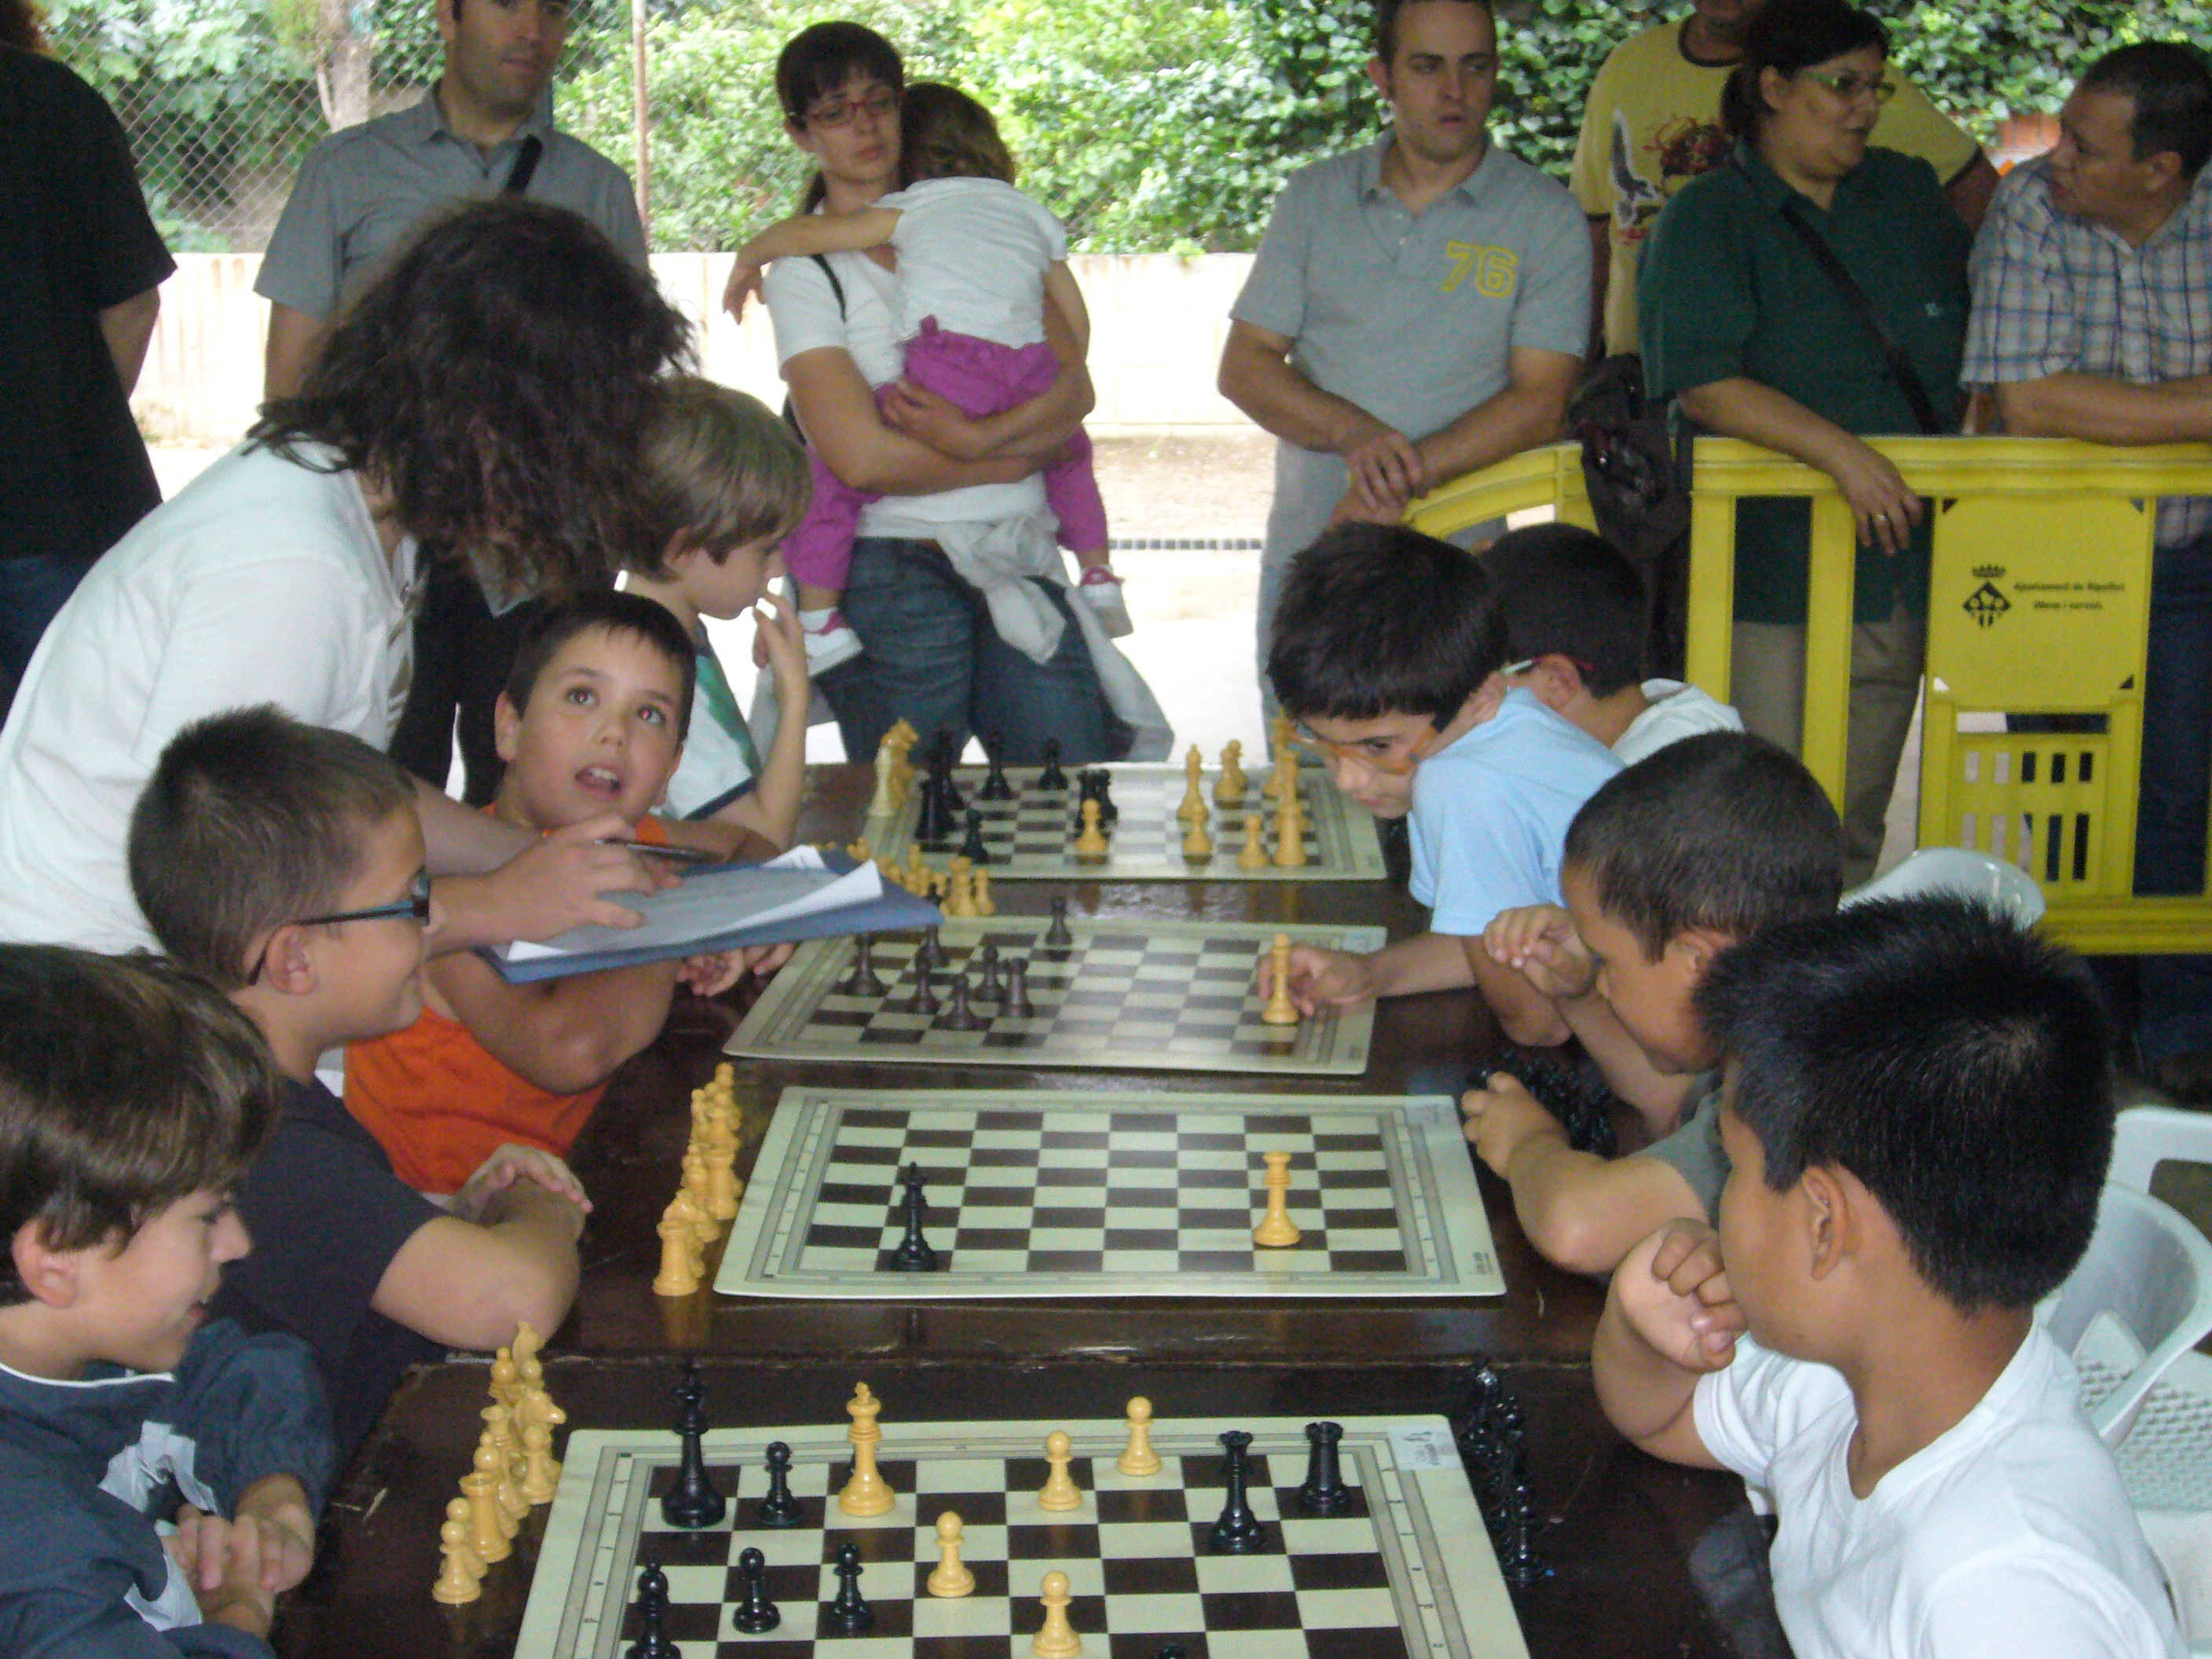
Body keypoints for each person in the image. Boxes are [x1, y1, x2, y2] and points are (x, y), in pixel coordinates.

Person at [0, 198, 691, 959]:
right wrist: (499, 902)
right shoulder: (295, 566)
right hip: (90, 983)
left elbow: (342, 791)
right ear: (490, 416)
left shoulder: (354, 503)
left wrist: (545, 865)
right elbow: (227, 888)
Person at [1592, 896, 2185, 1659]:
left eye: (1731, 1170)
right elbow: (1659, 1419)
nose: (1718, 1208)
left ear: (1824, 1225)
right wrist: (1642, 1323)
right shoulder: (1861, 1375)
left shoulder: (2003, 1595)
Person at [128, 707, 595, 1461]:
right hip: (333, 1503)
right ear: (294, 961)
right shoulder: (253, 1140)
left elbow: (335, 1243)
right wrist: (541, 1205)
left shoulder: (223, 1084)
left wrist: (455, 1209)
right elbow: (513, 1302)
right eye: (411, 902)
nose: (432, 924)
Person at [257, 0, 650, 805]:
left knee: (536, 787)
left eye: (553, 10)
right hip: (396, 531)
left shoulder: (595, 186)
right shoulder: (348, 170)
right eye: (506, 4)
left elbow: (628, 380)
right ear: (447, 15)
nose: (532, 30)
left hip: (546, 538)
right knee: (382, 788)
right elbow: (292, 379)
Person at [753, 23, 1157, 767]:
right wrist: (1011, 456)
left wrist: (979, 441)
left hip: (1017, 548)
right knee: (911, 797)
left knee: (1070, 781)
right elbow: (861, 460)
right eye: (836, 112)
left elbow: (1074, 392)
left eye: (879, 103)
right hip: (890, 561)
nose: (865, 127)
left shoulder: (984, 230)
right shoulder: (807, 271)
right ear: (800, 133)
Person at [1636, 0, 1972, 883]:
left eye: (1874, 87)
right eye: (1841, 85)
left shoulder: (1907, 194)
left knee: (1852, 816)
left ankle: (1834, 957)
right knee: (1765, 812)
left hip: (1895, 558)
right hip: (1767, 570)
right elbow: (1705, 382)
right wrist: (1843, 454)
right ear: (1774, 88)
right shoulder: (1709, 215)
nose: (1864, 107)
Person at [1960, 43, 2212, 1101]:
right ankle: (2090, 1019)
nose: (2053, 158)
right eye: (2060, 132)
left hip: (2189, 553)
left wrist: (2103, 410)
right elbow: (2027, 401)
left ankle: (2181, 1025)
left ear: (2161, 170)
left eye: (2083, 146)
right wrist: (2196, 410)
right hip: (2047, 553)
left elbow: (2061, 395)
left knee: (2177, 789)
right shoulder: (2029, 208)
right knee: (2061, 786)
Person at [1218, 0, 1589, 712]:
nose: (1455, 90)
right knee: (1310, 768)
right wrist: (1358, 437)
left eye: (1474, 67)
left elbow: (1542, 403)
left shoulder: (1546, 216)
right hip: (1316, 559)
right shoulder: (1314, 198)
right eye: (1426, 67)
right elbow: (1245, 366)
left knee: (1450, 763)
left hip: (1459, 578)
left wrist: (1389, 481)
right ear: (1381, 77)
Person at [345, 593, 756, 1196]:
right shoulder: (453, 890)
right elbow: (573, 1051)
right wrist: (676, 925)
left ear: (671, 769)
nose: (613, 734)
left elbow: (748, 844)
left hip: (578, 1176)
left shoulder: (638, 839)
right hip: (444, 1211)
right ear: (509, 727)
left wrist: (744, 915)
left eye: (649, 715)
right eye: (582, 697)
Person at [0, 945, 331, 1656]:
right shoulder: (25, 1548)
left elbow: (241, 1373)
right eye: (209, 1215)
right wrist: (235, 1615)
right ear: (57, 1258)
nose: (237, 1243)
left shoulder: (81, 1348)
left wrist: (272, 1498)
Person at [1465, 732, 1844, 1273]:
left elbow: (1577, 1225)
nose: (1603, 983)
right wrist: (1578, 994)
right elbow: (1672, 1104)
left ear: (1698, 961)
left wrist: (1529, 1144)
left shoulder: (1797, 1089)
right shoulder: (1795, 1019)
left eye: (1606, 961)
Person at [1259, 523, 1621, 1042]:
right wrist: (1370, 974)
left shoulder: (1458, 783)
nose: (1348, 778)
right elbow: (1484, 940)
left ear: (1480, 696)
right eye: (1325, 743)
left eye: (1378, 747)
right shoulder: (1499, 720)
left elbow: (1538, 1023)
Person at [1571, 0, 1994, 361]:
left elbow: (1975, 191)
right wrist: (1578, 366)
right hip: (1636, 384)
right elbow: (1594, 230)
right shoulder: (1630, 63)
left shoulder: (1839, 77)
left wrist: (1936, 321)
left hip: (1786, 386)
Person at [0, 5, 174, 701]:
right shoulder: (55, 102)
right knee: (82, 730)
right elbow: (131, 303)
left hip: (55, 519)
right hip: (58, 504)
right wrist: (65, 420)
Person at [624, 377, 815, 846]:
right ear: (683, 550)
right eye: (766, 550)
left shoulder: (671, 636)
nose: (779, 568)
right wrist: (795, 696)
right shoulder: (657, 674)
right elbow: (760, 840)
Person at [1480, 522, 1742, 763]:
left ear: (1557, 681)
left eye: (1478, 682)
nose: (1472, 705)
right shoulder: (1658, 722)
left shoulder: (1648, 785)